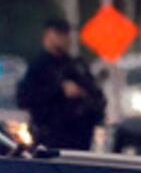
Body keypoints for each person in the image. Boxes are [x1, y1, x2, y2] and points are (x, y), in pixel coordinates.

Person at [16, 16, 106, 152]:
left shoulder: (76, 66)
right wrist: (59, 91)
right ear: (48, 35)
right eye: (59, 34)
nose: (64, 39)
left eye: (66, 34)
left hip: (79, 138)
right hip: (50, 137)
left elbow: (95, 96)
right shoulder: (39, 67)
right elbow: (25, 99)